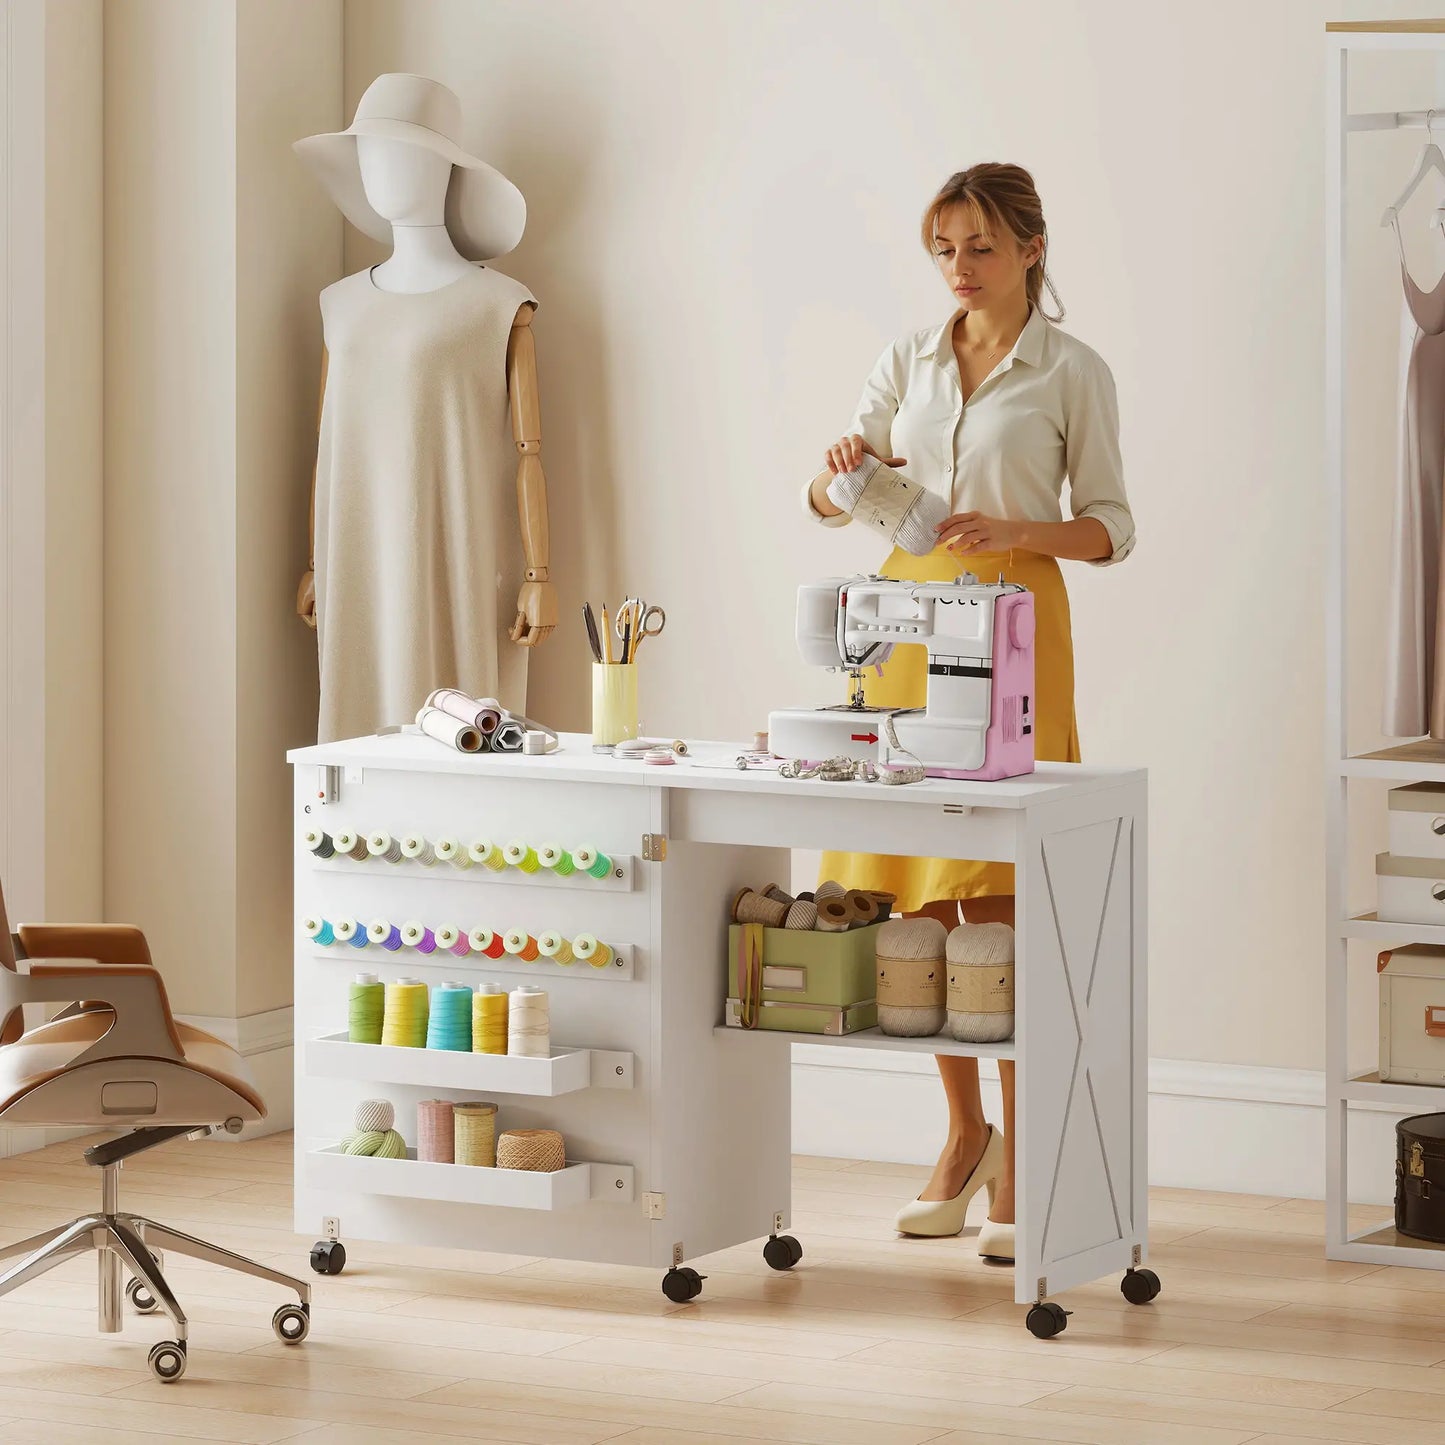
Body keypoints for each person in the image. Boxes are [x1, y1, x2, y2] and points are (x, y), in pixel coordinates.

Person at [801, 162, 1135, 1262]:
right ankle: (961, 1134)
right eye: (942, 247)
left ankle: (1026, 1150)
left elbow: (1109, 527)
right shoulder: (906, 359)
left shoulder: (1069, 371)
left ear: (1030, 248)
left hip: (1010, 623)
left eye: (979, 247)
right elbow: (826, 498)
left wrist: (1021, 531)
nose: (958, 268)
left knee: (999, 889)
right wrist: (840, 469)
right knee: (912, 889)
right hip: (899, 621)